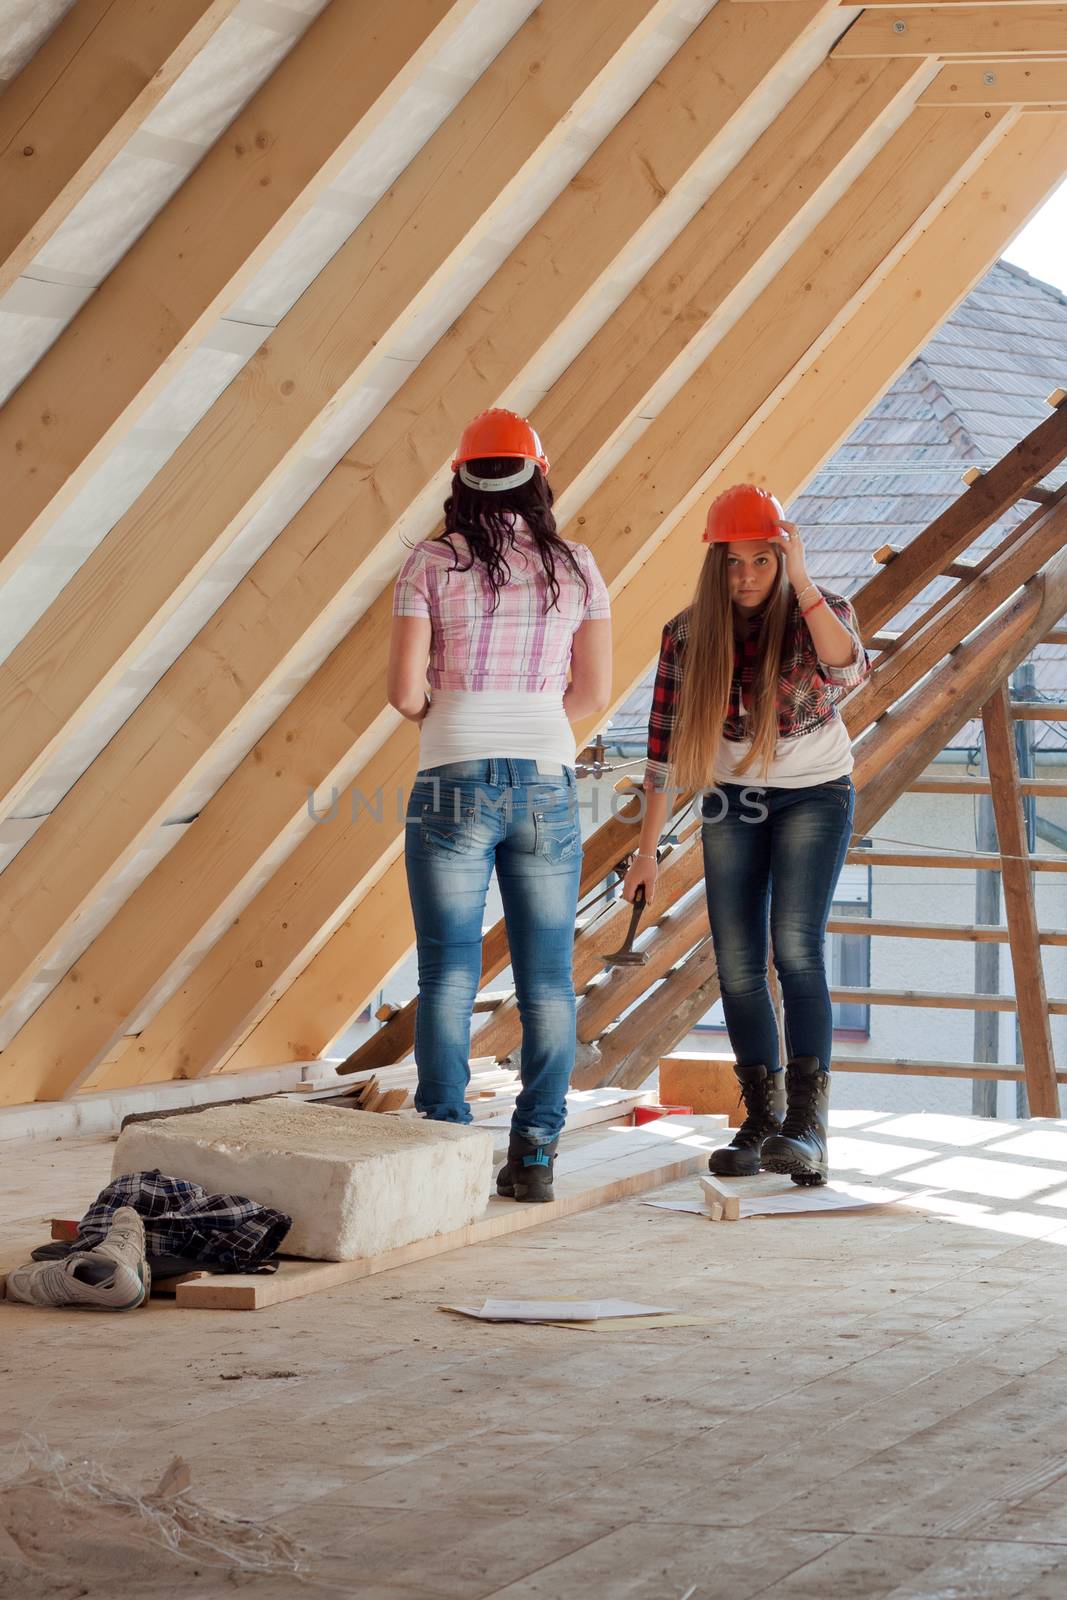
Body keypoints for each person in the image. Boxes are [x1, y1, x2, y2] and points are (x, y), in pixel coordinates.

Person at [388, 408, 612, 1202]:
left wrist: (447, 709)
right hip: (545, 777)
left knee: (447, 972)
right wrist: (529, 713)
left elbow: (401, 694)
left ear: (460, 479)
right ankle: (537, 1154)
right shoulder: (576, 566)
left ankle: (445, 1146)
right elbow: (590, 693)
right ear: (538, 476)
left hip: (450, 771)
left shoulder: (429, 561)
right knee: (547, 978)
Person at [623, 484, 869, 1185]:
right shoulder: (687, 633)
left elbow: (847, 668)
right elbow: (663, 749)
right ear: (715, 565)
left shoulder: (821, 613)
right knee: (734, 961)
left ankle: (807, 1128)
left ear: (780, 556)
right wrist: (645, 853)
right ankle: (761, 1121)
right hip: (732, 799)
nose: (746, 577)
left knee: (794, 949)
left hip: (814, 795)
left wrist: (801, 577)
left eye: (760, 561)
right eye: (733, 563)